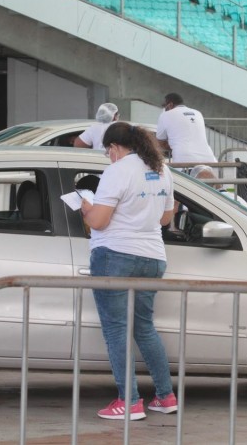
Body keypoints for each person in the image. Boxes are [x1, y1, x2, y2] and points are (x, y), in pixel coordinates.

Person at [80, 122, 177, 420]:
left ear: (113, 147)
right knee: (144, 327)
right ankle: (165, 396)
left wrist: (85, 205)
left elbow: (98, 222)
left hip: (115, 255)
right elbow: (165, 218)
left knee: (116, 329)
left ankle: (130, 402)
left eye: (108, 150)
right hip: (152, 257)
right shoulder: (162, 169)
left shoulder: (117, 171)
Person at [156, 92, 216, 165]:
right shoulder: (198, 113)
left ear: (170, 105)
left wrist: (173, 145)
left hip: (184, 159)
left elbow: (161, 141)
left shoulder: (165, 115)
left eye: (164, 105)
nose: (164, 108)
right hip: (208, 158)